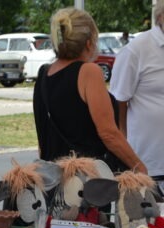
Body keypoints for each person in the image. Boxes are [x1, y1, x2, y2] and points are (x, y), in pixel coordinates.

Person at [33, 7, 146, 175]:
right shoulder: (88, 72)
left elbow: (43, 139)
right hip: (87, 179)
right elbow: (109, 134)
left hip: (54, 178)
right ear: (88, 42)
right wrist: (140, 168)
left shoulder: (44, 73)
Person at [110, 1, 164, 192]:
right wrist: (125, 147)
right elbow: (118, 101)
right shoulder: (136, 50)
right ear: (161, 16)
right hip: (148, 165)